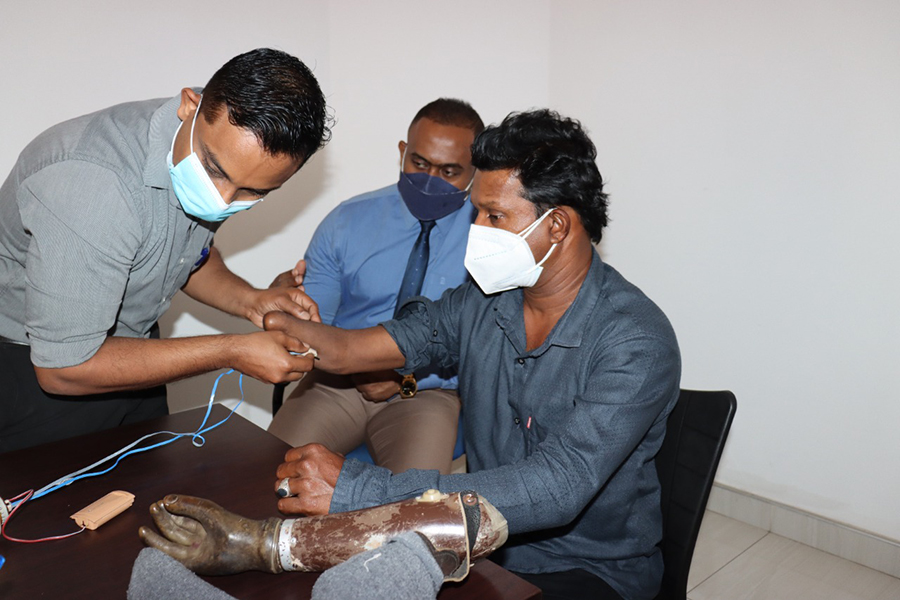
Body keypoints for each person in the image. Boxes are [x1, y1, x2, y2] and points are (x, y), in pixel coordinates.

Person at [262, 109, 682, 600]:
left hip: (587, 569)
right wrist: (276, 319)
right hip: (482, 546)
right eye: (477, 211)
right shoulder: (484, 302)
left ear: (558, 226)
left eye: (494, 216)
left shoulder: (635, 341)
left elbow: (557, 489)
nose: (475, 228)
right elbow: (364, 346)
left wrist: (360, 491)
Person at [0, 48, 328, 453]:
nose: (222, 200)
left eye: (253, 191)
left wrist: (252, 301)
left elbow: (184, 256)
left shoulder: (206, 150)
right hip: (36, 377)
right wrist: (232, 350)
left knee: (146, 496)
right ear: (190, 106)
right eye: (214, 170)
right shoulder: (95, 185)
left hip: (133, 356)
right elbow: (63, 367)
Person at [267, 99, 484, 474]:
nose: (430, 179)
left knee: (416, 508)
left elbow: (490, 349)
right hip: (337, 383)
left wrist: (407, 379)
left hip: (427, 394)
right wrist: (282, 309)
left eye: (449, 171)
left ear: (475, 171)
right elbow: (313, 321)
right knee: (266, 472)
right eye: (419, 163)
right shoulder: (348, 222)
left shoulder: (490, 238)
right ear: (402, 153)